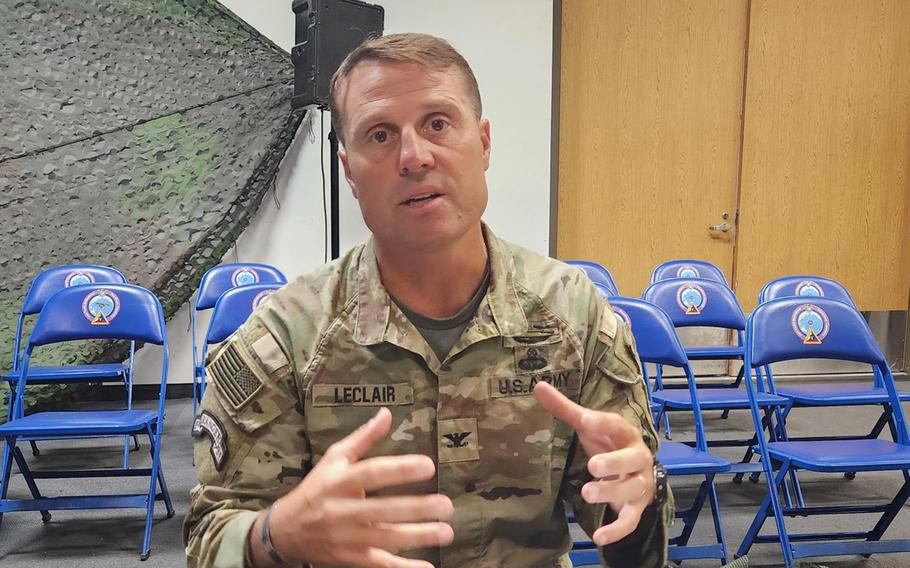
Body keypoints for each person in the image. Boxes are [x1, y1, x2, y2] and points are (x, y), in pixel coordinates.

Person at [184, 32, 672, 568]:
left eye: (438, 124)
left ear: (483, 143)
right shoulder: (287, 337)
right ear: (349, 171)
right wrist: (275, 535)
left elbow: (630, 539)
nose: (414, 157)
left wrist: (638, 500)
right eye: (380, 135)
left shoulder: (573, 315)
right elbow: (210, 537)